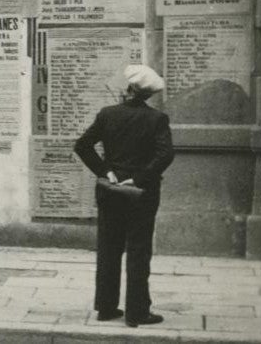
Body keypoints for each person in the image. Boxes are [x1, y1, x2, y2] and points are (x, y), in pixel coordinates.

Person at [74, 64, 175, 328]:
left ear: (128, 88)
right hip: (142, 193)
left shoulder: (107, 114)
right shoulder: (157, 119)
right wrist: (140, 178)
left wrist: (106, 171)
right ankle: (137, 312)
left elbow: (82, 145)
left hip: (111, 191)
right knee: (139, 251)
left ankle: (106, 308)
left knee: (108, 249)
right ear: (148, 94)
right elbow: (165, 155)